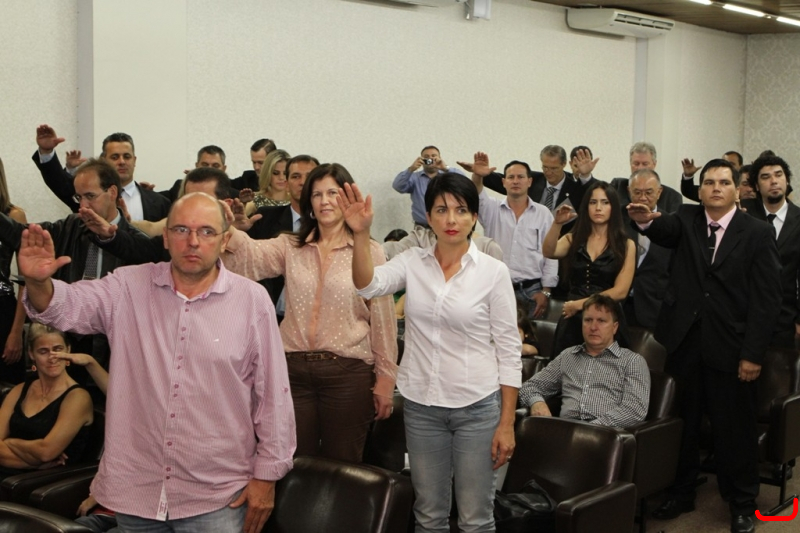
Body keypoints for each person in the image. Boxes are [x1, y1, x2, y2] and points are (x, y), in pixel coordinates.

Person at [20, 192, 296, 533]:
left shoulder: (252, 301)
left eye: (207, 231)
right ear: (165, 237)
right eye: (181, 230)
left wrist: (266, 477)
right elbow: (65, 306)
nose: (193, 241)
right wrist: (38, 283)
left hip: (218, 496)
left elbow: (273, 396)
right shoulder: (127, 287)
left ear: (225, 240)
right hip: (139, 492)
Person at [342, 172, 521, 532]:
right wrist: (360, 234)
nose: (451, 219)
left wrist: (506, 423)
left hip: (477, 408)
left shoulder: (493, 272)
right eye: (441, 210)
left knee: (475, 518)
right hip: (423, 407)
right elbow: (368, 285)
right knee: (428, 515)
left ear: (474, 217)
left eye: (461, 210)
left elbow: (508, 349)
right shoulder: (413, 261)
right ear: (428, 216)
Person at [628, 159, 781, 533]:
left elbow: (766, 301)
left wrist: (752, 354)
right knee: (683, 424)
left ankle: (742, 503)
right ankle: (682, 491)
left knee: (735, 430)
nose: (716, 188)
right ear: (699, 191)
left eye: (724, 182)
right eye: (709, 182)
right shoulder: (686, 218)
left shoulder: (757, 233)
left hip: (732, 347)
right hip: (685, 343)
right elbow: (662, 228)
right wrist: (645, 220)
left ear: (736, 189)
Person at [222, 163, 397, 464]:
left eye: (333, 193)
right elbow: (250, 258)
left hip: (348, 373)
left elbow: (383, 320)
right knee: (291, 462)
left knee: (342, 466)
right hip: (292, 371)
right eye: (317, 195)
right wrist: (228, 230)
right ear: (309, 204)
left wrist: (385, 380)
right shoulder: (291, 246)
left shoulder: (369, 250)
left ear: (349, 198)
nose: (325, 201)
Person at [1, 159, 144, 394]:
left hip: (112, 351)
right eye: (79, 198)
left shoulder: (137, 243)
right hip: (66, 344)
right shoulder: (70, 226)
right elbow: (22, 234)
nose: (83, 206)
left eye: (90, 196)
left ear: (112, 192)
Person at [519, 294, 650, 428]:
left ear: (615, 327)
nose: (593, 327)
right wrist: (537, 403)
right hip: (565, 431)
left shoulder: (632, 361)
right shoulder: (568, 356)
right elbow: (529, 387)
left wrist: (592, 428)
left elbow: (635, 410)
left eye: (601, 321)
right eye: (588, 320)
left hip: (605, 433)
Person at [544, 181, 636, 356]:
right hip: (573, 320)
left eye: (605, 202)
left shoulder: (626, 245)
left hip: (605, 316)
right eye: (593, 202)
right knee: (566, 368)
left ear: (613, 207)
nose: (598, 208)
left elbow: (621, 291)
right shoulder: (573, 238)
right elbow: (549, 251)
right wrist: (557, 224)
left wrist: (580, 304)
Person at [0, 323, 94, 477]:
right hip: (12, 474)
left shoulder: (78, 398)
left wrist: (11, 442)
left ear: (68, 350)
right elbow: (44, 459)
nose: (52, 357)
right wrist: (35, 464)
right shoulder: (19, 390)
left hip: (43, 482)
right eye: (43, 351)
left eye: (58, 349)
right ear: (31, 354)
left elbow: (46, 452)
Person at [470, 155, 558, 319]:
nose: (515, 181)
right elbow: (477, 194)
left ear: (529, 182)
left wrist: (546, 291)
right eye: (511, 177)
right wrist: (478, 175)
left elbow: (551, 254)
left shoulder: (543, 213)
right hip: (496, 288)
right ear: (504, 182)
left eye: (520, 177)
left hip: (531, 291)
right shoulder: (492, 209)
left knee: (529, 335)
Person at [32, 125, 170, 222]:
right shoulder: (87, 195)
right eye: (115, 157)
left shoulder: (159, 202)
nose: (122, 162)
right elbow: (59, 183)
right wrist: (47, 152)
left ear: (134, 160)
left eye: (127, 157)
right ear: (103, 160)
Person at [740, 154, 800, 348]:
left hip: (784, 318)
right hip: (741, 315)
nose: (773, 181)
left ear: (787, 181)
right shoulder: (743, 213)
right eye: (765, 177)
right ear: (757, 186)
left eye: (778, 175)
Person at [622, 169, 673, 329]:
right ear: (629, 191)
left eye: (648, 192)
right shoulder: (618, 220)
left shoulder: (671, 224)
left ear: (659, 192)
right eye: (637, 192)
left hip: (655, 307)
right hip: (619, 307)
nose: (643, 198)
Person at [0, 157, 27, 384]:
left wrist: (16, 332)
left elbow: (26, 278)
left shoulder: (13, 215)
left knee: (10, 388)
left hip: (3, 311)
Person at [393, 146, 466, 228]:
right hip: (422, 227)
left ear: (439, 158)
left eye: (434, 156)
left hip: (446, 226)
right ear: (422, 159)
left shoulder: (449, 176)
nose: (430, 159)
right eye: (426, 157)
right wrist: (411, 169)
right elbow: (397, 186)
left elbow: (464, 182)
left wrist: (446, 168)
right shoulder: (415, 178)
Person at [610, 142, 682, 213]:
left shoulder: (672, 197)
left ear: (654, 164)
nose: (640, 168)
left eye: (645, 164)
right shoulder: (617, 186)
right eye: (636, 163)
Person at [243, 149, 291, 215]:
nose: (281, 178)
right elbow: (236, 219)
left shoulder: (297, 200)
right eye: (275, 173)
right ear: (267, 173)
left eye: (285, 173)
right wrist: (243, 204)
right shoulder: (256, 200)